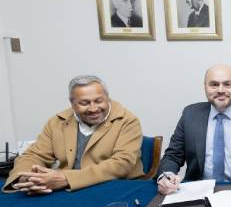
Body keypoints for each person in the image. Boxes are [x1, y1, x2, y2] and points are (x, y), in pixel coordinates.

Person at [3, 75, 144, 194]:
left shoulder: (128, 121)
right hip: (68, 192)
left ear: (107, 98)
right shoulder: (56, 122)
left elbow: (122, 164)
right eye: (84, 103)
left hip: (114, 188)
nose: (93, 108)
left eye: (98, 101)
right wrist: (28, 178)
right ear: (72, 103)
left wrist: (66, 178)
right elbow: (33, 155)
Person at [156, 64, 231, 195]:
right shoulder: (190, 114)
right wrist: (167, 176)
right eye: (214, 84)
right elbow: (173, 156)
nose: (220, 90)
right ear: (205, 88)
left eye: (227, 84)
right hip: (197, 191)